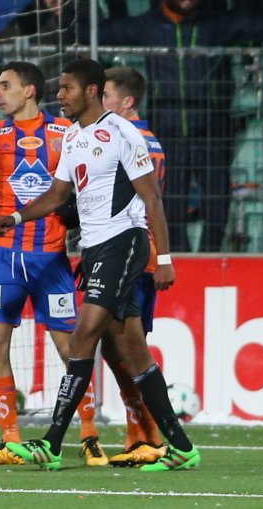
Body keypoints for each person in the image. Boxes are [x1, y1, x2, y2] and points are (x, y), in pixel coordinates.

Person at [0, 58, 199, 472]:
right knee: (132, 351)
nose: (59, 95)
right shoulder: (72, 137)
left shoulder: (122, 133)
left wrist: (165, 259)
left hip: (123, 243)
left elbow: (151, 199)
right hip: (94, 249)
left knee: (83, 337)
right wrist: (15, 218)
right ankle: (182, 448)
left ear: (90, 91)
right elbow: (55, 196)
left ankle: (52, 444)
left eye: (66, 88)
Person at [0, 61, 107, 467]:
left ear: (29, 90)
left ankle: (88, 434)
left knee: (72, 349)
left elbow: (87, 190)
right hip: (2, 257)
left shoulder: (65, 134)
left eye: (5, 86)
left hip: (51, 258)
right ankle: (9, 440)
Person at [89, 0, 263, 251]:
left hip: (211, 131)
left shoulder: (215, 25)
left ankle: (211, 260)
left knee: (217, 206)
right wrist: (62, 13)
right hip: (168, 134)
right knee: (171, 207)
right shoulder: (148, 25)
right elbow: (97, 32)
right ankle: (179, 264)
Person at [100, 66, 167, 466]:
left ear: (127, 102)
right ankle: (140, 428)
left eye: (106, 95)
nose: (101, 102)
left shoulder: (130, 139)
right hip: (136, 251)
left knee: (128, 344)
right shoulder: (148, 139)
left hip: (133, 253)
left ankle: (147, 432)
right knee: (114, 344)